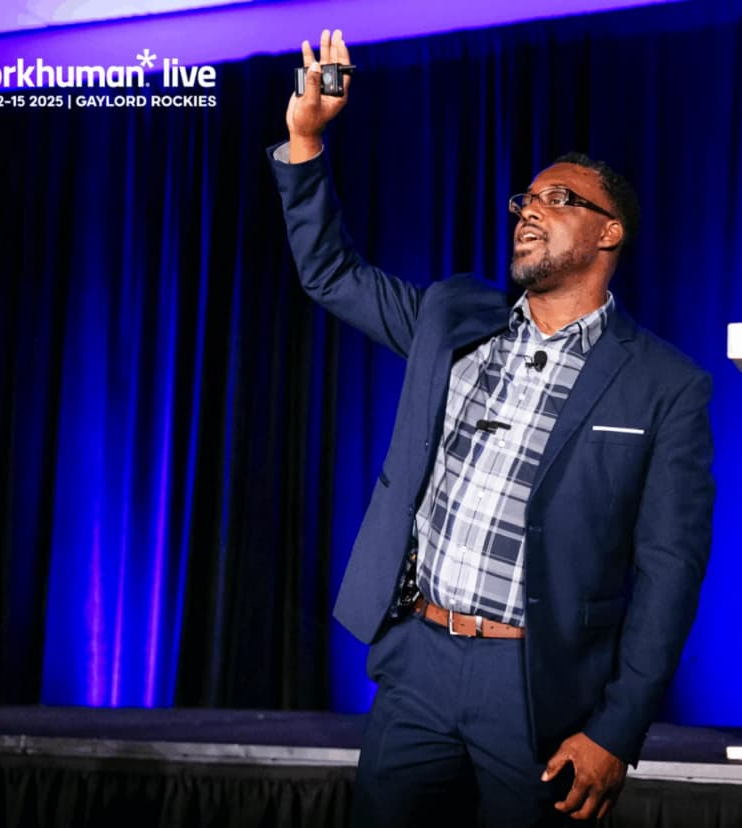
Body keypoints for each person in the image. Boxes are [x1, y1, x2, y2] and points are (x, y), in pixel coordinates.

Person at [267, 29, 715, 827]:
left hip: (536, 690)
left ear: (610, 232)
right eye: (525, 201)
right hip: (419, 663)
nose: (529, 211)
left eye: (558, 200)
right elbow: (331, 274)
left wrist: (616, 730)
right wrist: (305, 141)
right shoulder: (453, 315)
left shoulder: (664, 385)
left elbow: (669, 574)